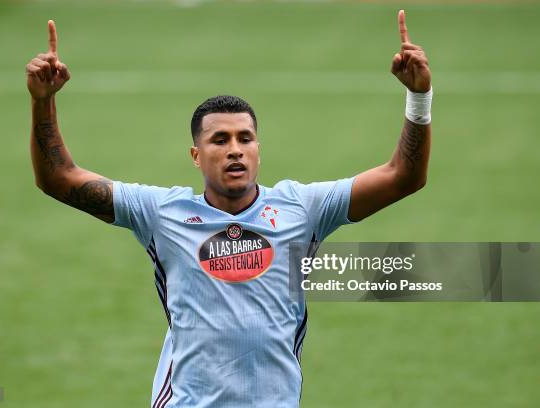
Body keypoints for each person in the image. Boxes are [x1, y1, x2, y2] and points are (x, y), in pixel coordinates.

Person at [25, 10, 431, 408]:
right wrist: (43, 102)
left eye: (245, 138)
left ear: (258, 148)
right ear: (196, 156)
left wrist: (418, 97)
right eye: (220, 140)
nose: (235, 149)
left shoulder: (302, 209)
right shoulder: (162, 214)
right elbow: (59, 178)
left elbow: (403, 177)